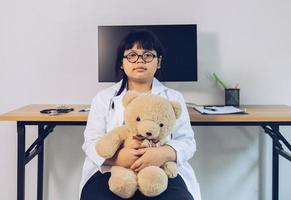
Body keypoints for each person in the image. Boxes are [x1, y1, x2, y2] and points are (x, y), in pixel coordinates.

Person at [80, 29, 201, 200]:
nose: (139, 61)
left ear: (158, 62)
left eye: (147, 55)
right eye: (132, 55)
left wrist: (163, 154)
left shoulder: (173, 98)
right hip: (111, 170)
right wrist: (118, 159)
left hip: (160, 171)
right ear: (122, 63)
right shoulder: (104, 98)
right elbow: (91, 141)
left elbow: (187, 141)